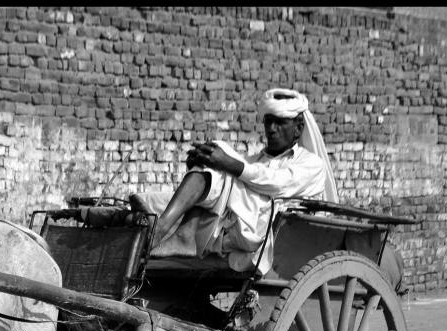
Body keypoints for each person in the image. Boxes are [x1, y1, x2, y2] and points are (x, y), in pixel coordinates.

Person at [131, 88, 404, 290]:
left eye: (279, 123)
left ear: (298, 128)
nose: (271, 129)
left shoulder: (312, 166)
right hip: (233, 226)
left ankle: (163, 230)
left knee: (222, 159)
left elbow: (275, 182)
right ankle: (165, 228)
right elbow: (252, 172)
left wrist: (228, 162)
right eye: (267, 122)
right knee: (214, 162)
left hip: (270, 242)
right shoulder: (255, 161)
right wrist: (211, 161)